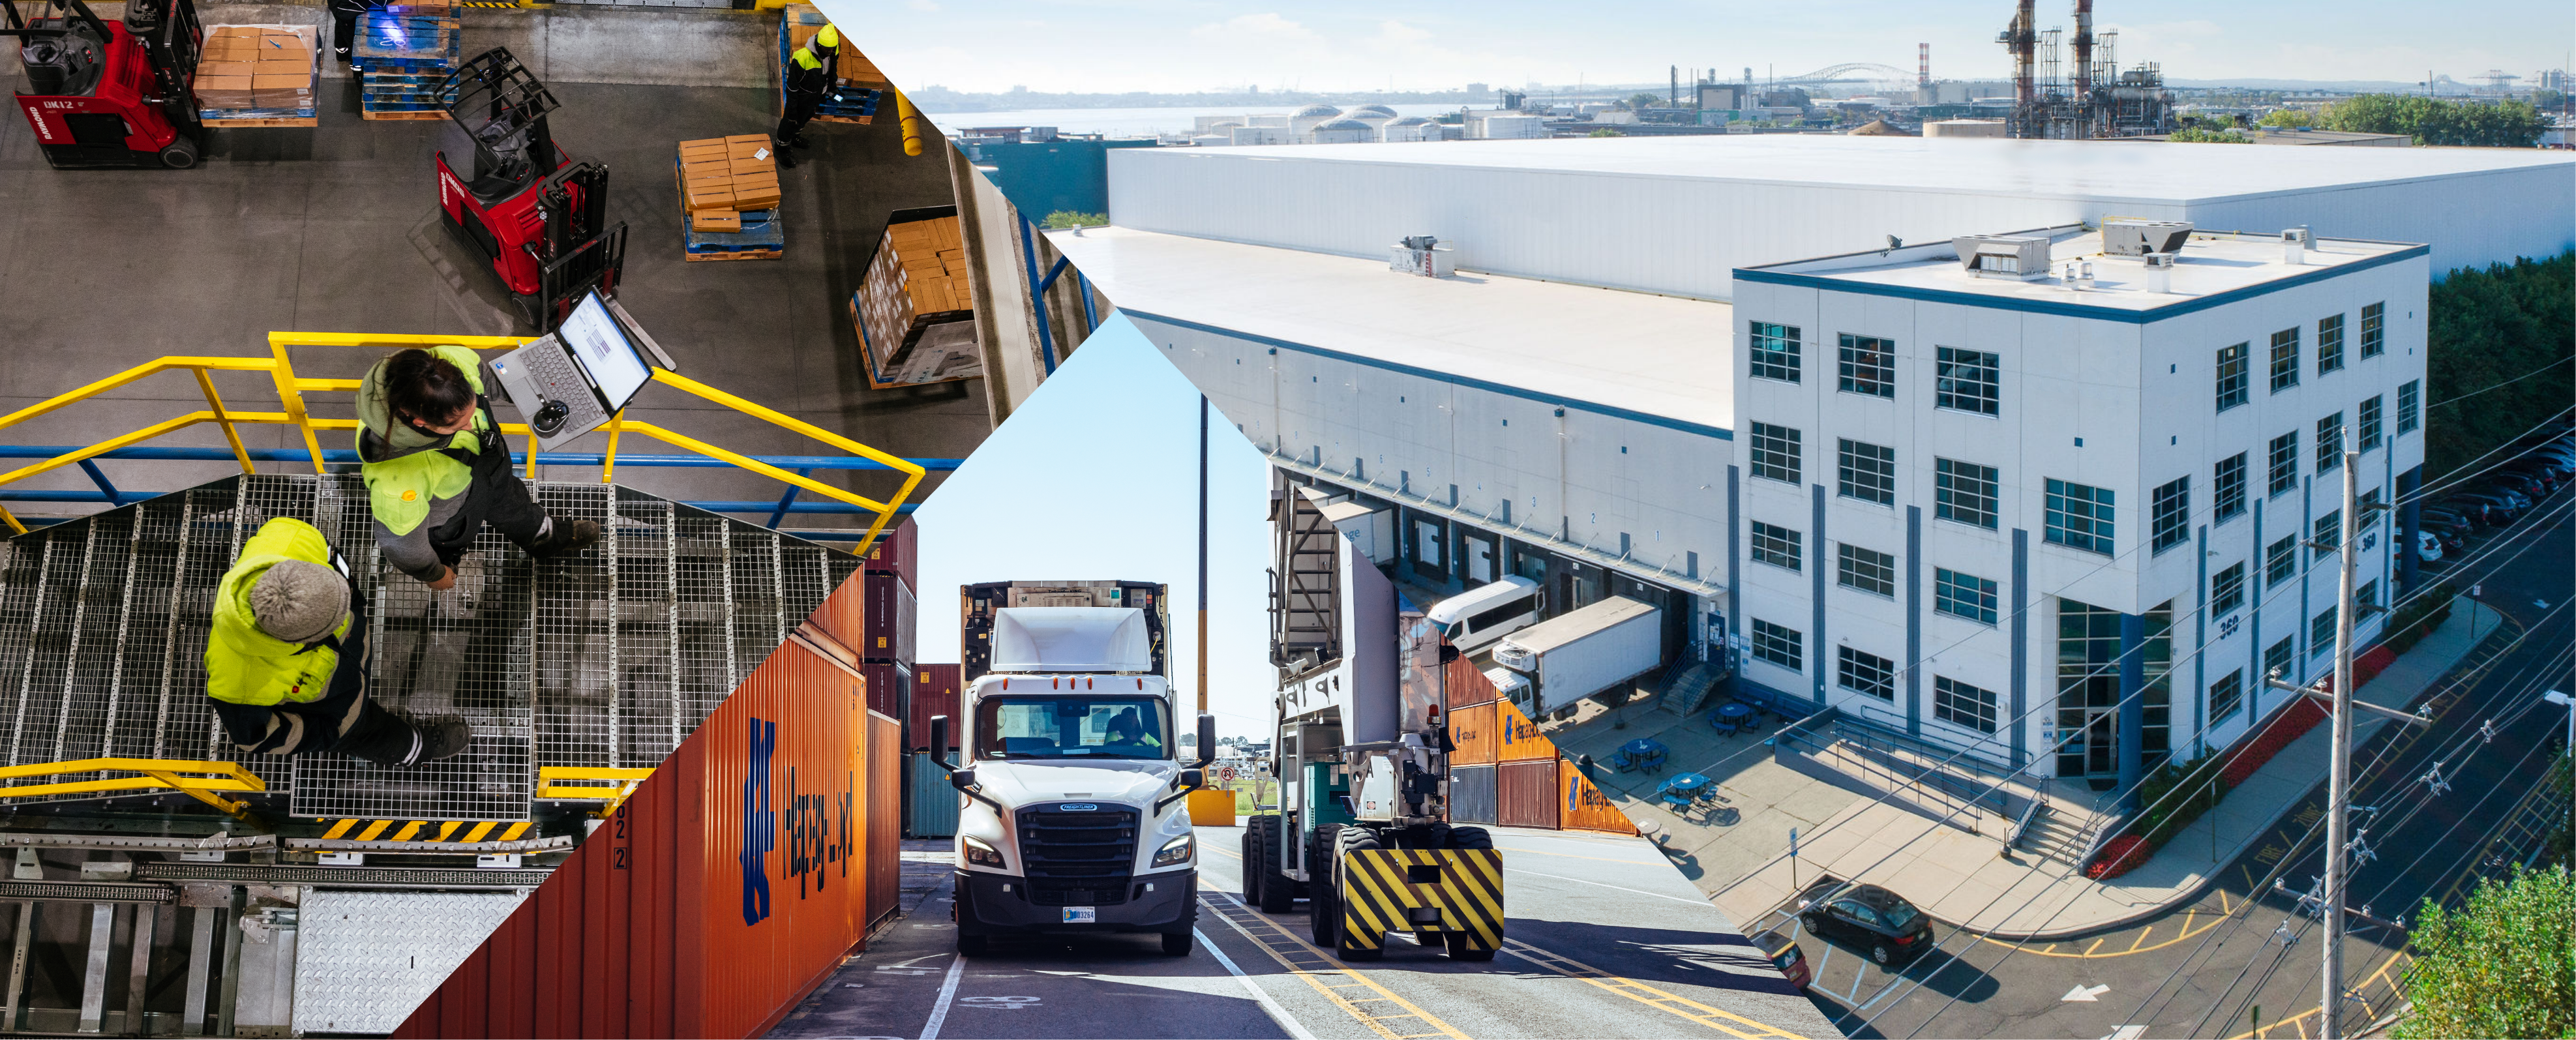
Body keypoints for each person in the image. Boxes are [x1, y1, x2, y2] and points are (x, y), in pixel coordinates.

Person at [205, 516, 467, 765]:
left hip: (350, 656)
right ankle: (421, 748)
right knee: (375, 735)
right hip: (338, 711)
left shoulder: (292, 536)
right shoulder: (237, 683)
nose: (343, 618)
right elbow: (257, 738)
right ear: (302, 641)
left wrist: (353, 601)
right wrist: (331, 731)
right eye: (332, 625)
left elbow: (337, 566)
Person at [356, 346, 600, 590]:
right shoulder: (397, 481)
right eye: (458, 426)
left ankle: (544, 537)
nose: (472, 428)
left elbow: (486, 378)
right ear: (421, 422)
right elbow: (403, 544)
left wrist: (540, 390)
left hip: (492, 473)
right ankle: (449, 563)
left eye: (473, 412)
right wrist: (433, 573)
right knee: (448, 548)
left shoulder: (447, 366)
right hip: (452, 516)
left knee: (514, 505)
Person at [773, 25, 839, 168]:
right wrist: (791, 109)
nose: (830, 52)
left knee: (804, 119)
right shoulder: (802, 58)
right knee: (790, 123)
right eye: (827, 49)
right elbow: (792, 87)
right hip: (801, 100)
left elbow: (832, 70)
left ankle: (795, 137)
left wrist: (832, 88)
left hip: (815, 98)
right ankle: (781, 148)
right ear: (819, 44)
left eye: (833, 48)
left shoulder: (832, 52)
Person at [327, 0, 377, 69]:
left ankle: (341, 54)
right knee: (352, 38)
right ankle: (356, 66)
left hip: (338, 6)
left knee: (341, 25)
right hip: (346, 10)